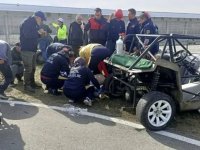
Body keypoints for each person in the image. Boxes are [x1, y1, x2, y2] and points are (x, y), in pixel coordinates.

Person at [20, 11, 47, 93]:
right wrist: (38, 33)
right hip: (27, 49)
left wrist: (40, 34)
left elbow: (33, 35)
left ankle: (31, 83)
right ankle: (26, 85)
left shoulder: (34, 23)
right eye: (41, 19)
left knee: (33, 68)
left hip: (32, 49)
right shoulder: (27, 22)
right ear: (37, 17)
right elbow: (27, 35)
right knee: (28, 68)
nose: (41, 21)